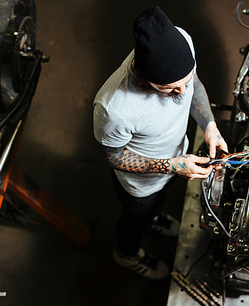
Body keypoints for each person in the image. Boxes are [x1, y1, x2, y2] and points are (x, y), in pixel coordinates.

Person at [93, 6, 228, 279]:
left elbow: (195, 85)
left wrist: (210, 126)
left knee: (157, 204)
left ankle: (154, 216)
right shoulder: (114, 108)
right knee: (135, 220)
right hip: (140, 187)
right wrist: (172, 165)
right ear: (146, 79)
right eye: (170, 89)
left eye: (184, 82)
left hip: (175, 160)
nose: (181, 92)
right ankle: (127, 253)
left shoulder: (182, 40)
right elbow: (112, 156)